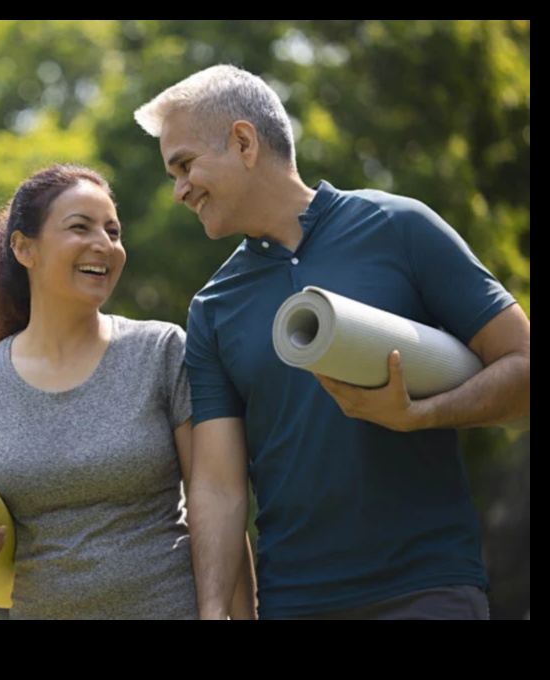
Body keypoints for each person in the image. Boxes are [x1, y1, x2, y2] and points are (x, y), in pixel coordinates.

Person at [133, 64, 530, 620]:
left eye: (184, 165)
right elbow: (219, 487)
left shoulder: (401, 227)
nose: (178, 190)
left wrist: (420, 413)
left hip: (428, 590)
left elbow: (523, 366)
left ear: (243, 142)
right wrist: (214, 609)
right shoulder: (213, 309)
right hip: (295, 603)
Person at [0, 163, 256, 619]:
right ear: (24, 248)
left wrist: (240, 614)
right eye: (80, 227)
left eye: (113, 231)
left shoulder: (160, 351)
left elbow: (214, 497)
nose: (105, 244)